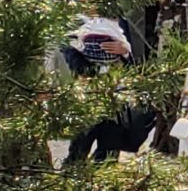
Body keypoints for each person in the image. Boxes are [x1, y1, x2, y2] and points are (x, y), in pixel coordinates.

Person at [58, 16, 159, 162]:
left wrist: (124, 51)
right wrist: (89, 63)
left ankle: (105, 180)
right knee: (79, 148)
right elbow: (68, 51)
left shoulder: (120, 22)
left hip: (115, 97)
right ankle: (72, 178)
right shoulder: (76, 19)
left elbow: (131, 60)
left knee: (110, 150)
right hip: (88, 94)